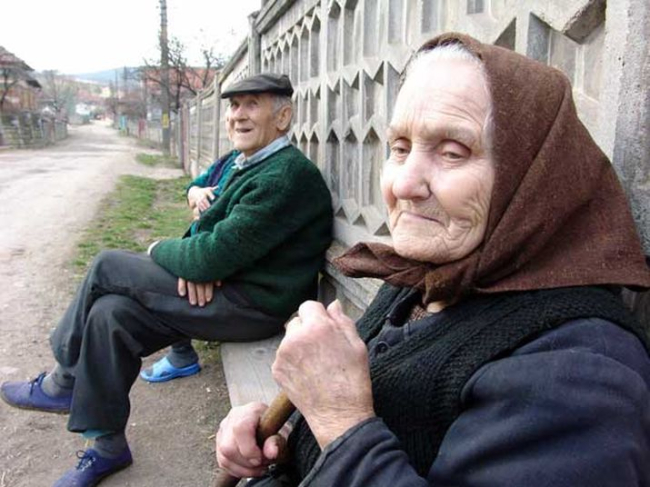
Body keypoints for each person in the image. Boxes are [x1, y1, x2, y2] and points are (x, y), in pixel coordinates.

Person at [215, 33, 650, 487]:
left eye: (452, 152)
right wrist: (288, 435)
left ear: (530, 177)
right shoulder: (429, 278)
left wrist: (338, 420)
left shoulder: (580, 374)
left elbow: (351, 426)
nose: (404, 184)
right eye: (400, 148)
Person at [0, 72, 333, 486]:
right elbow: (209, 237)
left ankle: (64, 379)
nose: (238, 115)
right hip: (228, 291)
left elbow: (209, 257)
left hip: (253, 307)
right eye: (234, 105)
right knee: (110, 313)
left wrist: (162, 248)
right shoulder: (248, 162)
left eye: (252, 104)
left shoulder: (286, 175)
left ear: (282, 117)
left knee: (107, 265)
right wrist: (198, 256)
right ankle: (107, 446)